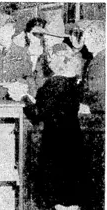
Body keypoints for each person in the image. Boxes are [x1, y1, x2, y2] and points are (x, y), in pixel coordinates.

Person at [22, 44, 88, 210]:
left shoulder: (53, 84)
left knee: (57, 194)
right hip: (73, 138)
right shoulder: (73, 81)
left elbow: (38, 113)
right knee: (72, 194)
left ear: (54, 61)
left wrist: (24, 99)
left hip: (56, 142)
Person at [0, 13, 33, 100]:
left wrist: (15, 84)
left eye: (7, 31)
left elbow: (29, 78)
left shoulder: (23, 53)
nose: (3, 36)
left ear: (13, 31)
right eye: (1, 31)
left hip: (16, 99)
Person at [81, 20, 105, 210]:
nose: (85, 42)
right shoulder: (96, 60)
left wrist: (87, 106)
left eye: (87, 38)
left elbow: (100, 95)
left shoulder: (101, 61)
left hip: (97, 124)